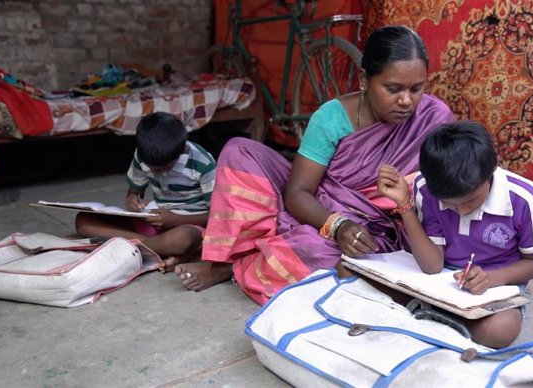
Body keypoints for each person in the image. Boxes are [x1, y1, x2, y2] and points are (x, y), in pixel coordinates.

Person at [175, 25, 454, 304]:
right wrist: (338, 225)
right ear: (364, 80)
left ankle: (239, 264)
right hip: (324, 211)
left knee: (312, 248)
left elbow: (442, 192)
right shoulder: (331, 118)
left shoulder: (434, 119)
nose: (406, 101)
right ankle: (231, 260)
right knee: (239, 152)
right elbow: (297, 192)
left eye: (416, 88)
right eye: (393, 89)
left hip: (383, 231)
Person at [376, 120, 533, 348]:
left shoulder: (523, 197)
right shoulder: (426, 187)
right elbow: (432, 266)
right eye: (450, 205)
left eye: (471, 201)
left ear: (490, 172)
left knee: (501, 330)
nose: (463, 211)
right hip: (438, 281)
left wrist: (490, 278)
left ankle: (428, 317)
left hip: (494, 284)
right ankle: (447, 321)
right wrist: (404, 203)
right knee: (350, 272)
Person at [75, 112, 216, 272]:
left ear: (182, 150)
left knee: (182, 239)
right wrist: (133, 200)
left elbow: (217, 217)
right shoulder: (143, 155)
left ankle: (136, 249)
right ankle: (163, 250)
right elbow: (134, 191)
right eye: (150, 167)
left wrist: (175, 220)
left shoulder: (203, 163)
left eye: (163, 168)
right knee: (83, 220)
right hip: (154, 222)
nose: (154, 172)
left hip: (189, 225)